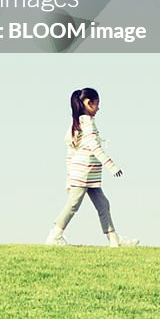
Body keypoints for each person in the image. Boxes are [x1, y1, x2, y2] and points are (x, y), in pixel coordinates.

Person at [45, 87, 138, 247]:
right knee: (73, 205)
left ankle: (114, 239)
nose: (98, 108)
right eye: (97, 104)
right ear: (89, 103)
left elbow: (70, 154)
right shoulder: (87, 123)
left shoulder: (77, 124)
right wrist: (112, 166)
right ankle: (54, 236)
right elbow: (94, 146)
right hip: (83, 174)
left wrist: (69, 178)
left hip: (88, 176)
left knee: (103, 204)